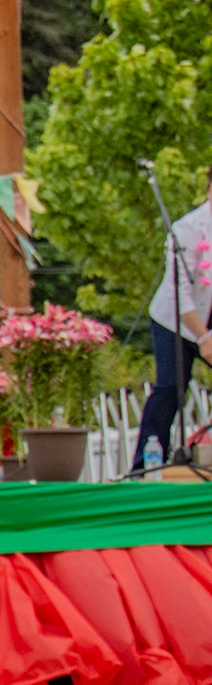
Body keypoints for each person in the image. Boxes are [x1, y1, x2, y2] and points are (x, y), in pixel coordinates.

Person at [132, 166, 212, 468]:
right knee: (170, 387)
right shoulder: (187, 229)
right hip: (175, 321)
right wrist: (203, 338)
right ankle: (145, 465)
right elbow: (180, 293)